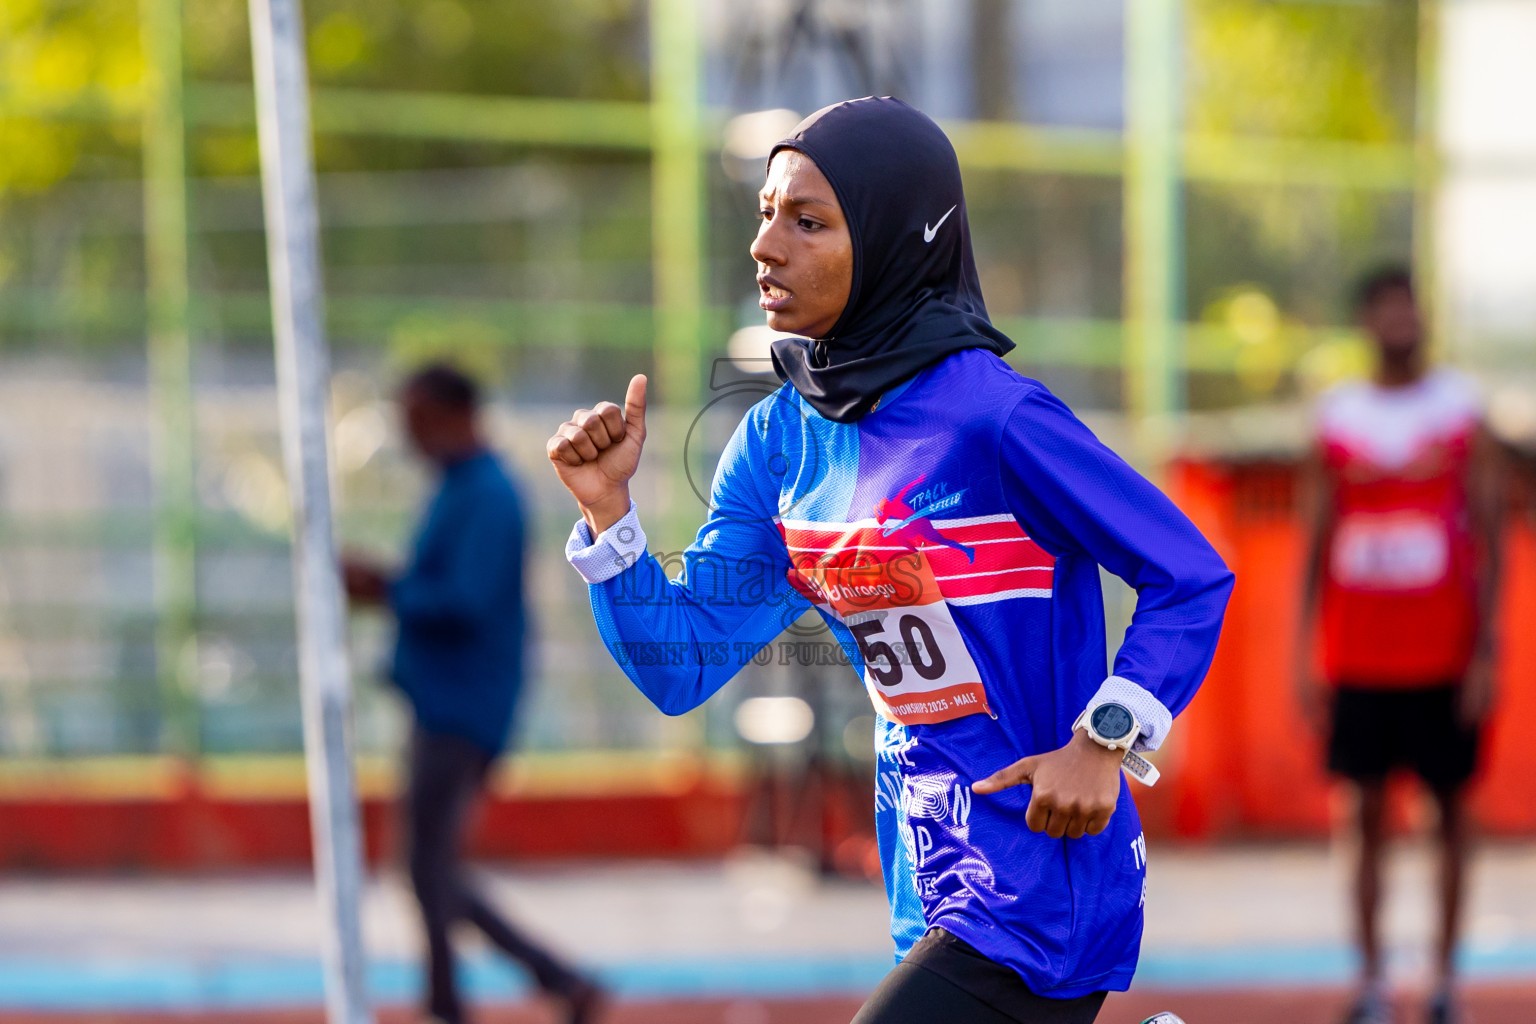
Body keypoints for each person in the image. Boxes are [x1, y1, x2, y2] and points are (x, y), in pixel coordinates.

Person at [547, 97, 1232, 1023]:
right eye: (765, 214)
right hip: (926, 876)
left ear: (900, 237)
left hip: (1040, 876)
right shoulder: (778, 441)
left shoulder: (996, 419)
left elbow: (1188, 574)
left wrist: (1105, 740)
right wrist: (611, 517)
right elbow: (683, 660)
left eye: (810, 221)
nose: (766, 246)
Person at [343, 364, 603, 1024]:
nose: (410, 435)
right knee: (427, 867)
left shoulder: (487, 493)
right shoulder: (458, 488)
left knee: (428, 867)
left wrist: (386, 588)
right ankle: (524, 985)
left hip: (465, 705)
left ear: (455, 416)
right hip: (443, 700)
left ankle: (514, 986)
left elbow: (464, 601)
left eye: (419, 419)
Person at [1295, 267, 1503, 1024]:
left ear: (1423, 317)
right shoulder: (1337, 417)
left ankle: (1446, 981)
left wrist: (1489, 652)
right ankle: (1373, 982)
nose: (1398, 320)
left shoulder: (1459, 411)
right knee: (1362, 814)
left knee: (1449, 813)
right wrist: (1301, 654)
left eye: (1408, 306)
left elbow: (1489, 538)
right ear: (1366, 321)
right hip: (1358, 655)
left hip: (1444, 655)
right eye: (1384, 307)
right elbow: (1313, 541)